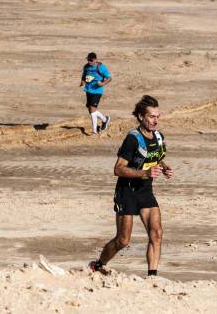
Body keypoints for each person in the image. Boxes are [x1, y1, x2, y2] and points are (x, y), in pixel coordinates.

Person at [89, 95, 174, 276]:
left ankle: (152, 277)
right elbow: (118, 169)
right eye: (151, 116)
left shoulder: (159, 137)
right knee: (123, 240)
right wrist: (144, 173)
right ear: (141, 117)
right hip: (126, 192)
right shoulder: (132, 139)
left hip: (145, 192)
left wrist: (165, 168)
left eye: (157, 116)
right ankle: (97, 265)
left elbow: (157, 158)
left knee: (156, 234)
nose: (155, 121)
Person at [79, 52, 112, 134]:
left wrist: (102, 83)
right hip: (88, 90)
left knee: (93, 111)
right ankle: (105, 119)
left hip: (97, 91)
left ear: (95, 59)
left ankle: (94, 131)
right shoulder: (86, 67)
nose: (89, 62)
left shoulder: (101, 67)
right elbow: (84, 75)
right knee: (90, 111)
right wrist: (82, 82)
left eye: (91, 60)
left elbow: (109, 78)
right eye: (88, 60)